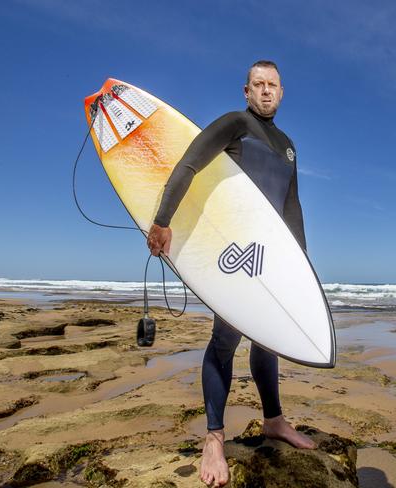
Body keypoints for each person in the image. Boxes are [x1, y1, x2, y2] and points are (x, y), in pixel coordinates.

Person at [147, 60, 316, 487]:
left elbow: (290, 207)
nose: (265, 92)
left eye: (272, 85)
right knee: (226, 339)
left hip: (270, 257)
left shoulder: (289, 145)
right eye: (257, 85)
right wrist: (163, 219)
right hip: (235, 252)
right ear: (246, 90)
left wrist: (302, 268)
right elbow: (189, 163)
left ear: (281, 91)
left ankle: (274, 421)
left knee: (267, 336)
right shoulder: (234, 124)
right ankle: (214, 438)